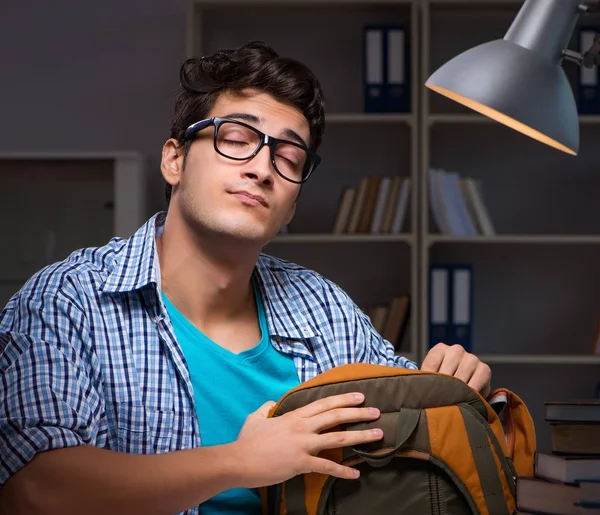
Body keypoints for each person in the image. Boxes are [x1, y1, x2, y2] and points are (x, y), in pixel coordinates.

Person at [0, 41, 491, 515]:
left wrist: (455, 381)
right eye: (236, 140)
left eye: (289, 159)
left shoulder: (324, 307)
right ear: (175, 159)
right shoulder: (66, 299)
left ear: (292, 205)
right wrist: (240, 463)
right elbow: (36, 491)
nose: (262, 168)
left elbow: (411, 430)